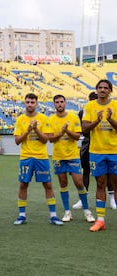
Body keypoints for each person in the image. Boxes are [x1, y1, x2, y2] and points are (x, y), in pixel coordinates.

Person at [13, 93, 63, 226]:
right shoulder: (20, 120)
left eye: (32, 102)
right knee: (23, 184)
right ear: (25, 103)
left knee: (47, 184)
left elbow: (45, 139)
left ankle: (53, 216)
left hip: (41, 157)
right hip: (26, 157)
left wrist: (35, 129)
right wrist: (28, 131)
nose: (30, 104)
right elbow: (17, 141)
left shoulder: (43, 119)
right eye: (28, 102)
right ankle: (21, 215)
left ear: (36, 104)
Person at [48, 94, 95, 223]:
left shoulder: (73, 118)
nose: (59, 104)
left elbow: (77, 136)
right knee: (63, 184)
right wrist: (61, 133)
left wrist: (67, 131)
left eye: (61, 102)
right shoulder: (51, 119)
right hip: (58, 156)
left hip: (73, 156)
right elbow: (50, 139)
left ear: (65, 103)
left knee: (79, 182)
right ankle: (67, 212)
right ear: (54, 104)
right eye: (57, 102)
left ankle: (87, 211)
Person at [81, 79, 117, 232]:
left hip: (114, 152)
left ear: (110, 90)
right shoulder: (89, 106)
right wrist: (97, 120)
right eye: (100, 88)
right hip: (96, 152)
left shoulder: (115, 105)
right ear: (96, 90)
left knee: (116, 186)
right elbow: (85, 129)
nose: (102, 90)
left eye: (105, 88)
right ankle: (100, 220)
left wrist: (110, 119)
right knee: (100, 184)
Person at [72, 92, 97, 209]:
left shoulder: (107, 110)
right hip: (88, 143)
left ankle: (112, 198)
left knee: (107, 173)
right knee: (85, 170)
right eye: (92, 100)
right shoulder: (83, 112)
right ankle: (83, 198)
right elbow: (84, 130)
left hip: (104, 144)